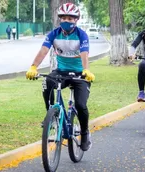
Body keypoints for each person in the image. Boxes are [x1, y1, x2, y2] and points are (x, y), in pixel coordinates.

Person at [25, 3, 94, 151]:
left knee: (81, 105)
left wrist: (86, 70)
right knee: (46, 82)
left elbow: (84, 53)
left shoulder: (82, 35)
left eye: (70, 18)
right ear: (59, 19)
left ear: (77, 19)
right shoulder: (54, 34)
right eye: (63, 18)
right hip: (61, 72)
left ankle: (85, 133)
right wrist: (33, 67)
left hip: (80, 75)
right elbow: (43, 50)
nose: (67, 21)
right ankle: (52, 114)